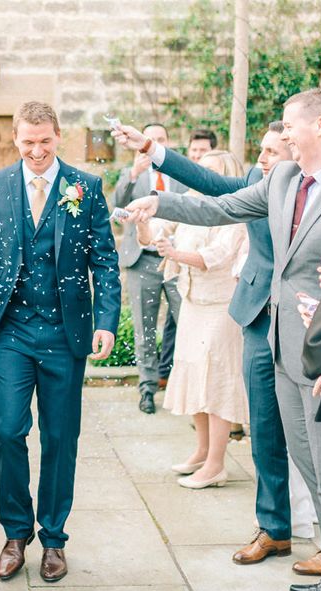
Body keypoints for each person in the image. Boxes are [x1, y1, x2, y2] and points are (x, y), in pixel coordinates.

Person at [125, 88, 321, 591]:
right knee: (308, 461)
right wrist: (159, 202)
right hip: (279, 341)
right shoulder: (285, 181)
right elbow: (218, 205)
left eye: (290, 126)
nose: (282, 137)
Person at [0, 101, 121, 584]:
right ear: (15, 138)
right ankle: (15, 533)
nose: (37, 150)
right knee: (7, 430)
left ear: (58, 136)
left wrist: (106, 321)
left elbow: (104, 261)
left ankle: (54, 538)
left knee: (61, 439)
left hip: (66, 334)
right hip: (12, 333)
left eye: (45, 141)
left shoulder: (85, 187)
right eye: (28, 142)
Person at [137, 151, 249, 489]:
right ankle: (201, 452)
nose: (203, 178)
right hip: (192, 301)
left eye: (211, 172)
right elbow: (152, 234)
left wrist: (174, 253)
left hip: (221, 306)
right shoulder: (190, 204)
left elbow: (216, 257)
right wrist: (143, 220)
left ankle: (217, 465)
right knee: (194, 376)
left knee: (217, 382)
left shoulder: (236, 210)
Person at [114, 122, 187, 414]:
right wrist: (133, 173)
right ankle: (146, 389)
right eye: (150, 138)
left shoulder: (179, 175)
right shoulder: (131, 175)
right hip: (141, 259)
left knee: (185, 322)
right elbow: (116, 205)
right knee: (144, 327)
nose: (155, 142)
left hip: (175, 258)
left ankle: (178, 383)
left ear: (167, 143)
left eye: (161, 139)